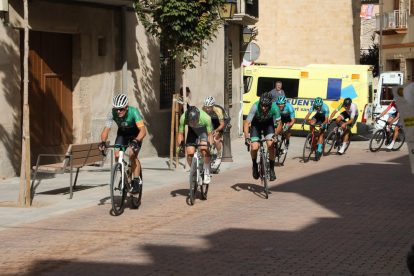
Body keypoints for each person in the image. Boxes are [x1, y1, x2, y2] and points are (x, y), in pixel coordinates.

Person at [98, 94, 146, 194]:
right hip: (122, 134)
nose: (119, 111)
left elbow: (143, 131)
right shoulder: (112, 113)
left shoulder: (133, 112)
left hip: (135, 135)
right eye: (117, 109)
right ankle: (124, 173)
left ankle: (136, 181)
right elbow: (106, 129)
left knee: (132, 156)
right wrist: (102, 142)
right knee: (117, 155)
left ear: (126, 107)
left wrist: (136, 141)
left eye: (121, 109)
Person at [244, 92, 282, 181]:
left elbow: (280, 124)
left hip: (268, 125)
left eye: (266, 106)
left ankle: (272, 169)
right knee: (254, 147)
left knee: (270, 144)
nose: (263, 108)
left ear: (270, 105)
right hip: (256, 126)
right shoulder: (255, 106)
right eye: (262, 105)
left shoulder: (275, 108)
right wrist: (246, 137)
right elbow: (246, 124)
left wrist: (276, 135)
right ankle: (254, 165)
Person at [176, 106, 214, 184]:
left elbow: (210, 135)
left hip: (203, 130)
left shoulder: (206, 118)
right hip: (192, 132)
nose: (193, 123)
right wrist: (180, 146)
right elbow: (180, 133)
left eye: (194, 121)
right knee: (190, 155)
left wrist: (209, 146)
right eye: (191, 122)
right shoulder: (183, 118)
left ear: (198, 117)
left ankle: (206, 173)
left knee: (204, 149)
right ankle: (194, 172)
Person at [202, 96, 229, 168]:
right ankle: (211, 147)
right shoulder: (204, 109)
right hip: (212, 120)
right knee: (208, 135)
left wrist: (216, 131)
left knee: (216, 140)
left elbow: (222, 124)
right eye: (206, 107)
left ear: (213, 106)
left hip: (222, 121)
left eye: (209, 107)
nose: (207, 109)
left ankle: (219, 156)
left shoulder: (218, 110)